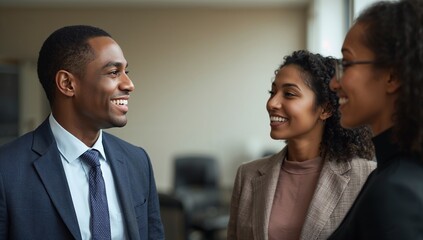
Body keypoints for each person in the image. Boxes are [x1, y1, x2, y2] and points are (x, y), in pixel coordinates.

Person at [0, 25, 164, 240]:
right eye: (114, 72)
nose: (129, 84)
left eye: (126, 72)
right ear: (67, 83)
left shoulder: (137, 161)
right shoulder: (6, 169)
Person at [227, 50, 375, 240]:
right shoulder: (247, 176)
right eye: (272, 92)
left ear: (326, 109)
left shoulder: (365, 177)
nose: (272, 103)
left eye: (289, 94)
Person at [327, 0, 423, 239]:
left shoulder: (396, 190)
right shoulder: (393, 173)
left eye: (346, 64)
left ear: (392, 76)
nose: (333, 83)